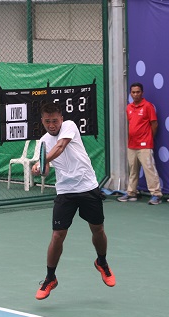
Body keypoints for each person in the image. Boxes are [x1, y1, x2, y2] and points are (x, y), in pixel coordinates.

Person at [31, 102, 115, 300]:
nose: (52, 125)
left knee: (98, 229)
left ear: (61, 118)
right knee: (57, 235)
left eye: (55, 121)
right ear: (42, 121)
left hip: (87, 186)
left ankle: (101, 262)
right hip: (65, 191)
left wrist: (44, 161)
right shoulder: (42, 142)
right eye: (47, 121)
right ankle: (50, 277)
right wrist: (40, 168)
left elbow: (60, 146)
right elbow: (46, 171)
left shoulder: (69, 126)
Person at [118, 82, 163, 205]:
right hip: (132, 145)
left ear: (142, 93)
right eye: (133, 92)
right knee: (132, 170)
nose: (135, 94)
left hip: (145, 145)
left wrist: (148, 138)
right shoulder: (129, 108)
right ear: (130, 94)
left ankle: (156, 195)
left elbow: (154, 124)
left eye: (138, 92)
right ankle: (131, 193)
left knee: (149, 169)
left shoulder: (148, 106)